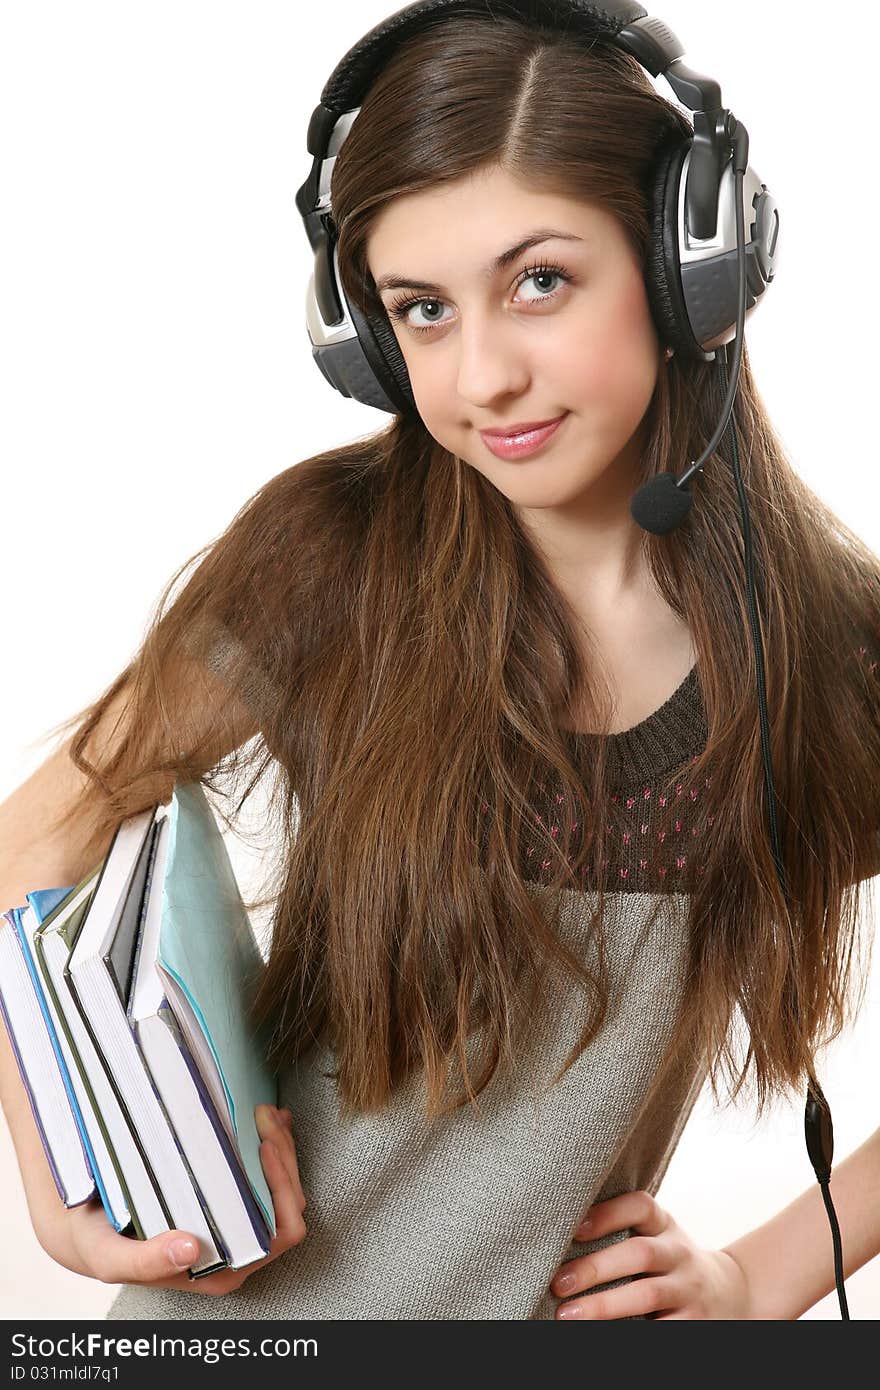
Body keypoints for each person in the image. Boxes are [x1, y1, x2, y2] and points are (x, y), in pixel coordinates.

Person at [2, 8, 880, 1322]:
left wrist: (765, 1274)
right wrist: (55, 1164)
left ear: (689, 265)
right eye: (421, 309)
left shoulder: (827, 655)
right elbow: (40, 831)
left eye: (540, 282)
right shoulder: (329, 562)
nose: (483, 377)